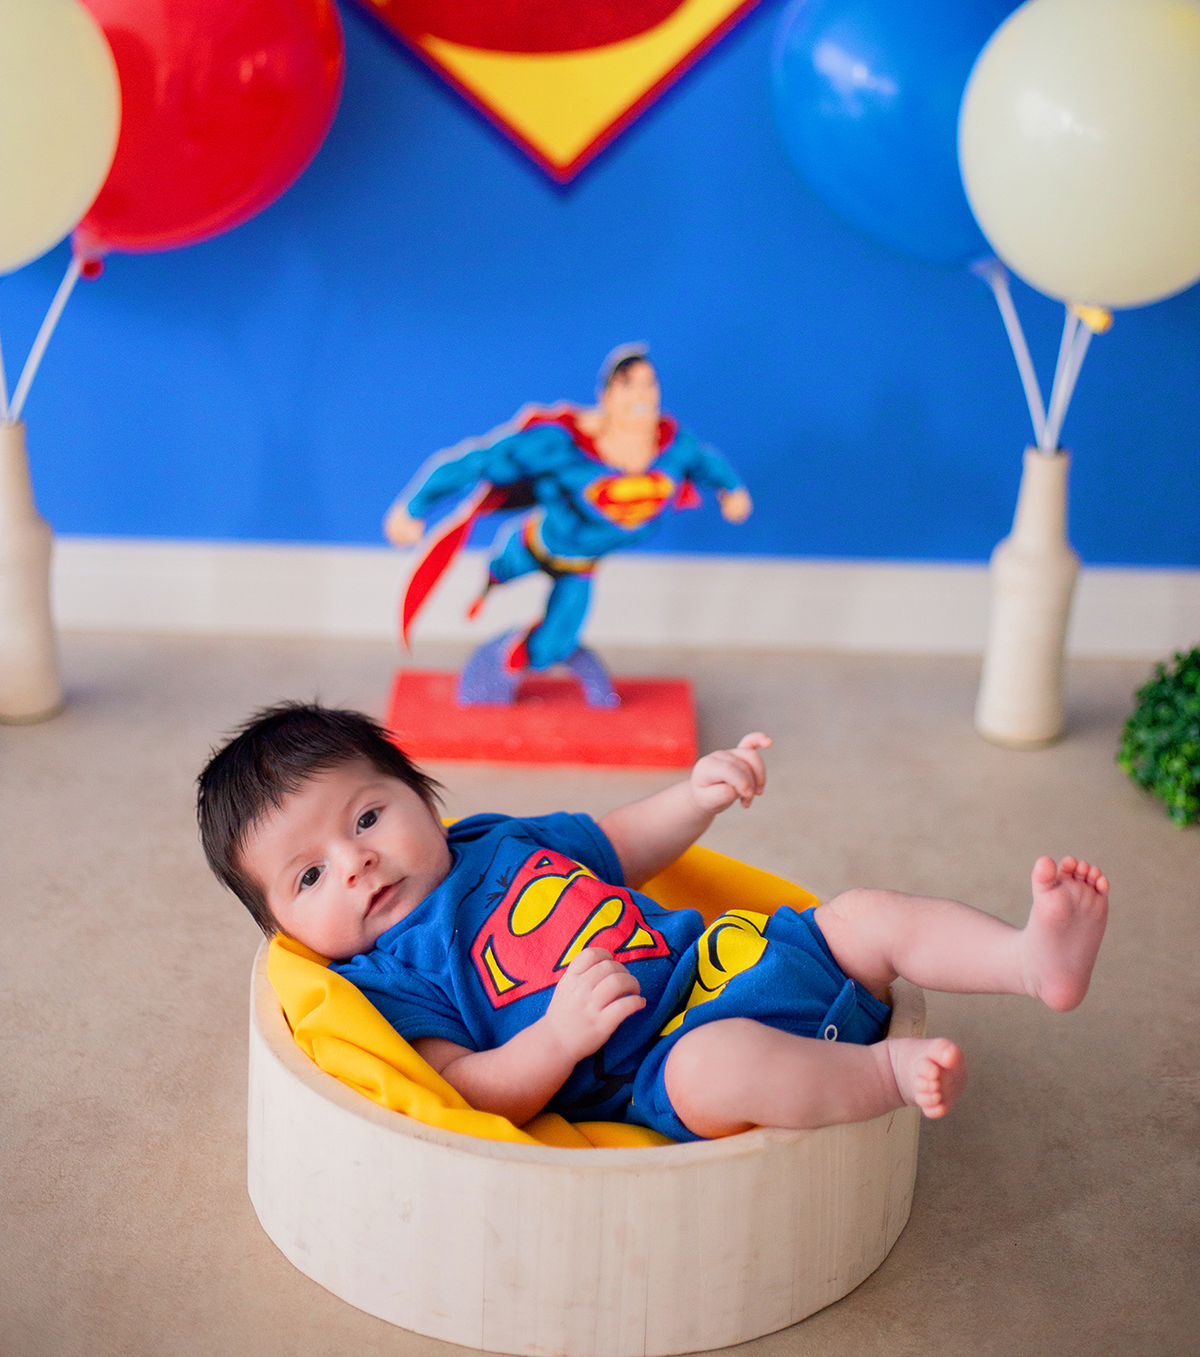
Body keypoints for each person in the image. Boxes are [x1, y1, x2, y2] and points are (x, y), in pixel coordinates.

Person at [197, 703, 1110, 1141]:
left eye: (366, 818)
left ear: (424, 797)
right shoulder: (391, 977)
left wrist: (696, 796)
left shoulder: (497, 842)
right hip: (660, 1064)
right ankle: (878, 1073)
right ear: (282, 927)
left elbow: (623, 842)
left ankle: (1030, 959)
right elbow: (469, 1091)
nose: (355, 862)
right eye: (310, 875)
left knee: (862, 913)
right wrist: (555, 1040)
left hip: (730, 959)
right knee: (726, 1062)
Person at [384, 346, 751, 705]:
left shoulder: (674, 448)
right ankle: (487, 588)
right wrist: (414, 506)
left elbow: (709, 464)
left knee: (554, 643)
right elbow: (478, 461)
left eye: (649, 384)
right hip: (534, 542)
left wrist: (732, 490)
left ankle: (517, 654)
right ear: (605, 395)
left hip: (581, 566)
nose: (641, 394)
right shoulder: (561, 446)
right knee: (497, 573)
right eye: (628, 384)